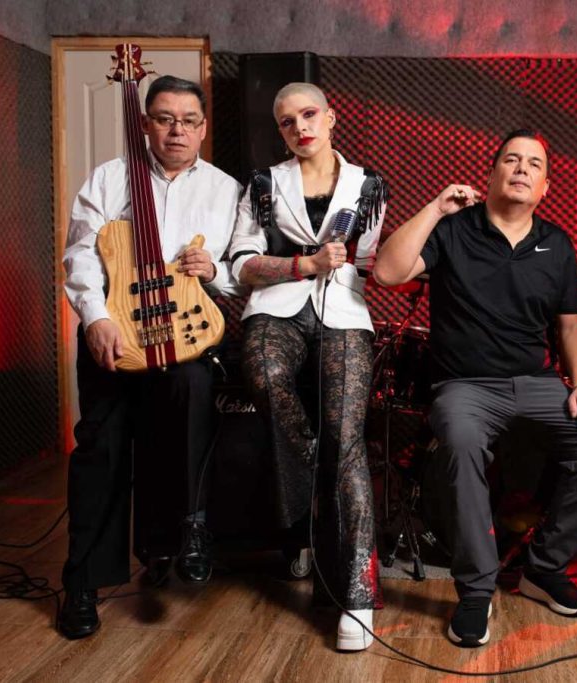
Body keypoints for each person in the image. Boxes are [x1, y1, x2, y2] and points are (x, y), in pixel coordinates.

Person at [373, 130, 577, 648]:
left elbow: (571, 325)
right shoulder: (453, 229)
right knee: (462, 441)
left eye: (534, 164)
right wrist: (435, 208)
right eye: (511, 159)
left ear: (545, 186)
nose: (522, 168)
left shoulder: (557, 244)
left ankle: (543, 567)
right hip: (465, 386)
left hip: (536, 382)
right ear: (491, 174)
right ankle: (475, 590)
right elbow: (387, 272)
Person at [60, 75, 242, 639]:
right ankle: (83, 584)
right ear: (145, 124)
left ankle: (174, 542)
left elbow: (240, 268)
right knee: (102, 449)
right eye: (164, 119)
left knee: (188, 412)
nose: (176, 131)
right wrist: (96, 318)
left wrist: (216, 271)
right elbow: (80, 253)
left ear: (203, 128)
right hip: (115, 332)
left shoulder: (225, 189)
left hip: (182, 334)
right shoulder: (109, 178)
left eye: (188, 121)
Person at [227, 82, 386, 651]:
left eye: (309, 114)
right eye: (288, 121)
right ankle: (317, 487)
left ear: (331, 117)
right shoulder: (263, 184)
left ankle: (358, 598)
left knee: (347, 435)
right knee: (266, 375)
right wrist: (302, 265)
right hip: (276, 307)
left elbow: (368, 260)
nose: (300, 127)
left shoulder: (368, 185)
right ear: (280, 131)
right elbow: (241, 264)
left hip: (344, 310)